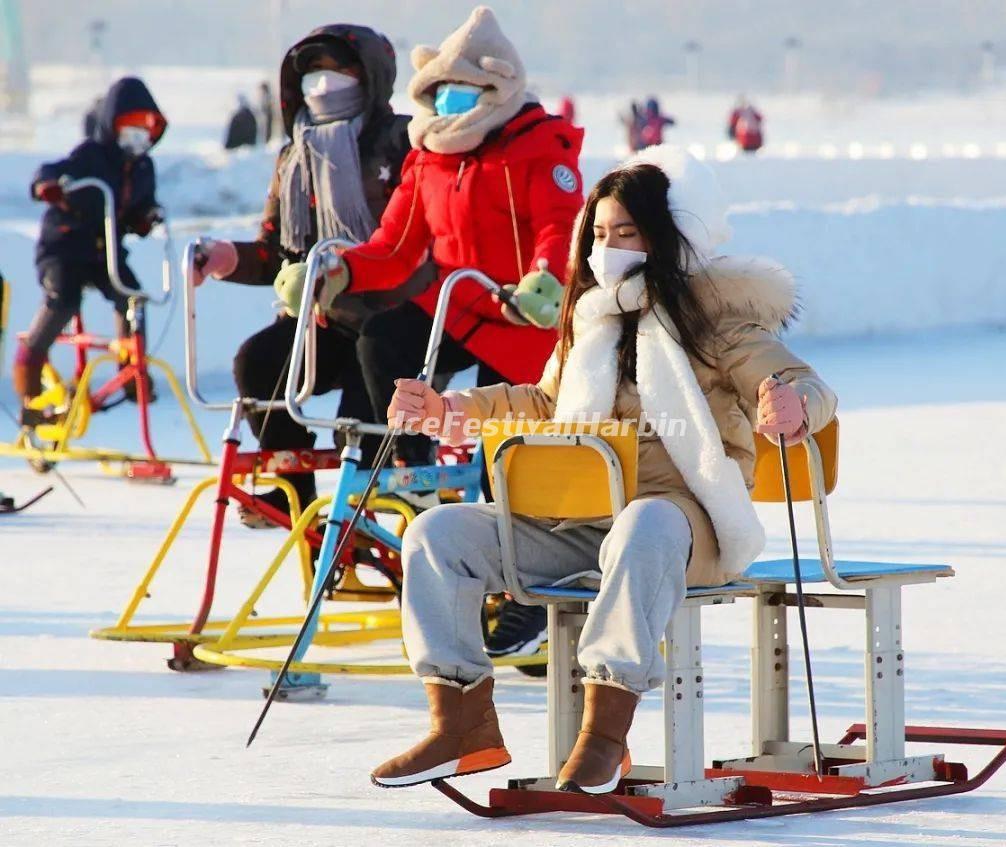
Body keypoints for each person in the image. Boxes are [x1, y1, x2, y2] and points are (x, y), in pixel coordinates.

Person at [367, 146, 837, 793]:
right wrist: (454, 407)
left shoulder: (717, 320)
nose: (608, 246)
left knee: (643, 522)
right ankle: (462, 722)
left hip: (681, 526)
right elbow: (541, 402)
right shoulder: (592, 323)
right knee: (437, 536)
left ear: (666, 238)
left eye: (627, 232)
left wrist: (790, 402)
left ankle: (605, 732)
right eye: (599, 232)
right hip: (580, 519)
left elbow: (803, 383)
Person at [306, 5, 585, 660]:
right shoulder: (428, 157)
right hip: (460, 304)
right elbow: (397, 248)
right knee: (384, 338)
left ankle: (523, 590)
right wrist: (342, 267)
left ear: (498, 89)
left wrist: (547, 280)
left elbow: (559, 224)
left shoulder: (540, 148)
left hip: (522, 315)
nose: (450, 106)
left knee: (504, 443)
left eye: (463, 93)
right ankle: (414, 461)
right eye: (440, 93)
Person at [192, 24, 433, 525]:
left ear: (369, 77)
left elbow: (425, 238)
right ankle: (292, 492)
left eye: (337, 72)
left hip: (394, 322)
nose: (322, 85)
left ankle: (383, 513)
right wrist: (229, 259)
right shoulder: (293, 156)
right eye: (312, 74)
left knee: (359, 427)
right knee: (258, 363)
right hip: (325, 319)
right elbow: (279, 254)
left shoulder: (402, 143)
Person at [14, 77, 167, 426]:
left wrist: (146, 218)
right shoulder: (90, 156)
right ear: (112, 126)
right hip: (65, 246)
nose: (137, 137)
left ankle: (131, 372)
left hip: (105, 251)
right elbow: (52, 171)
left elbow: (142, 206)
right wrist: (47, 187)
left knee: (132, 298)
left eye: (144, 129)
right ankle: (29, 383)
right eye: (129, 128)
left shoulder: (144, 167)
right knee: (63, 299)